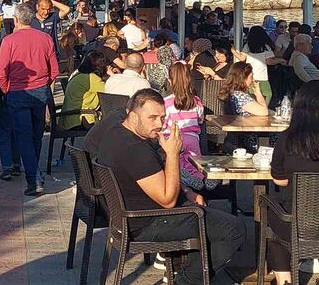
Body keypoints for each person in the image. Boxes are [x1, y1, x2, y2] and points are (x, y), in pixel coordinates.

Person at [95, 89, 246, 284]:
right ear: (132, 116)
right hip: (147, 221)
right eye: (152, 118)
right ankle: (187, 280)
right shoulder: (135, 150)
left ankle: (184, 271)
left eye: (162, 117)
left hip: (130, 216)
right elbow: (167, 200)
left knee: (205, 213)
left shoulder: (116, 132)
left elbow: (163, 181)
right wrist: (173, 153)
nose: (159, 124)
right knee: (234, 228)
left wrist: (187, 191)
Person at [0, 3, 59, 196]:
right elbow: (54, 70)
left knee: (24, 135)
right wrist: (43, 84)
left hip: (18, 91)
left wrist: (7, 89)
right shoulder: (45, 38)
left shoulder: (9, 41)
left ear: (16, 19)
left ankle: (33, 177)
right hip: (39, 91)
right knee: (35, 134)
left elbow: (1, 72)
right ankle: (34, 171)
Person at [266, 81, 319, 285]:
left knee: (274, 224)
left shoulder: (287, 138)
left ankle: (285, 281)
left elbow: (279, 178)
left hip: (297, 222)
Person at [162, 62, 218, 192]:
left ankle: (183, 178)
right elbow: (200, 119)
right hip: (193, 138)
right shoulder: (196, 101)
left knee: (177, 162)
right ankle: (201, 178)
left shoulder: (167, 102)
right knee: (195, 163)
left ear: (170, 81)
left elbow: (163, 124)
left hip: (173, 138)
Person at [232, 26, 286, 104]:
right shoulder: (266, 47)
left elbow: (242, 58)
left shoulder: (248, 46)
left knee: (251, 95)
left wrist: (233, 51)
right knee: (267, 94)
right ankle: (263, 108)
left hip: (249, 75)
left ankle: (253, 110)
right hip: (262, 76)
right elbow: (269, 61)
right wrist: (280, 60)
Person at [59, 51, 108, 130]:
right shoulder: (91, 78)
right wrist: (112, 75)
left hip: (69, 118)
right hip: (81, 119)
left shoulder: (78, 73)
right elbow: (111, 91)